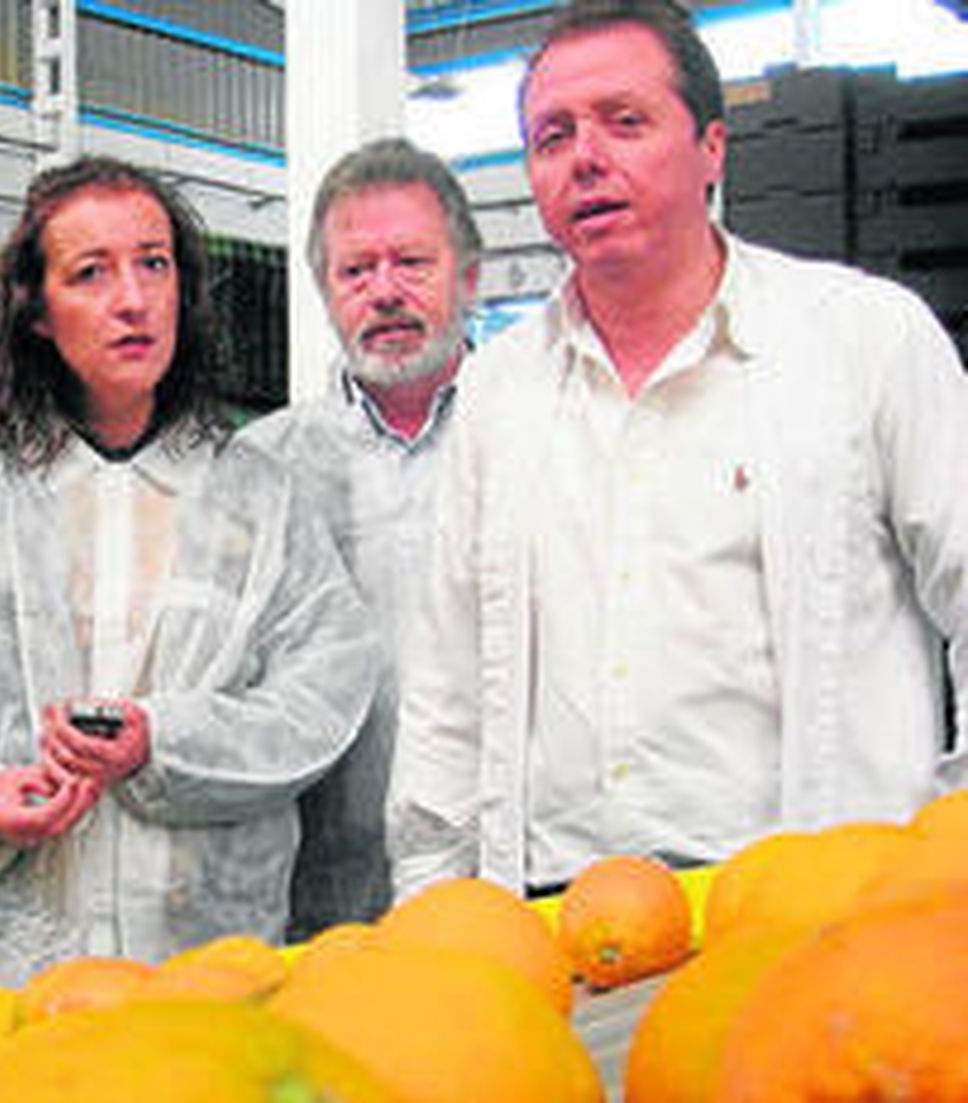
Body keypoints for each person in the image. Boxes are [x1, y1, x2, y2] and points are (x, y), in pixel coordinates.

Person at [391, 0, 968, 901]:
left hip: (812, 907)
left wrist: (943, 858)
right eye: (553, 135)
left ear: (711, 148)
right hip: (559, 914)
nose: (586, 158)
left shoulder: (865, 342)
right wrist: (430, 902)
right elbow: (447, 686)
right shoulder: (500, 393)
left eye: (626, 122)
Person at [0, 156, 378, 1015]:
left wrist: (164, 740)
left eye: (154, 263)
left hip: (201, 958)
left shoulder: (260, 498)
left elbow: (323, 690)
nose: (134, 298)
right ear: (37, 312)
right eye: (91, 272)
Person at [243, 138, 480, 939]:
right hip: (328, 896)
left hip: (510, 877)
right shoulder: (262, 469)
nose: (384, 292)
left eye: (411, 262)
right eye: (355, 271)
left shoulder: (536, 434)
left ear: (469, 277)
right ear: (325, 291)